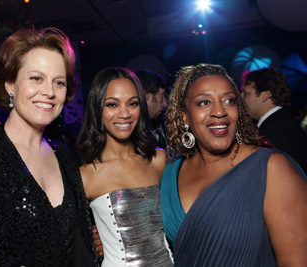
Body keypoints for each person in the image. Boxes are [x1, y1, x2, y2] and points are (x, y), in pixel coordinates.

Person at [0, 28, 98, 266]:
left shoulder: (67, 158)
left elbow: (80, 249)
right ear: (10, 84)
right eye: (36, 78)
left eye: (59, 82)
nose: (49, 92)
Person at [161, 63, 307, 266]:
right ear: (185, 117)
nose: (219, 111)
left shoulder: (271, 168)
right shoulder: (171, 170)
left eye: (229, 101)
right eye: (204, 103)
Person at [77, 67, 174, 267]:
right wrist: (92, 241)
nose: (125, 114)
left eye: (133, 104)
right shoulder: (85, 176)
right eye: (112, 104)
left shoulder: (159, 160)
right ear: (98, 108)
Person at [241, 68, 307, 173]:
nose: (241, 97)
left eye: (246, 93)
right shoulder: (283, 122)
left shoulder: (272, 133)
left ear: (265, 96)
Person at [136, 69, 167, 148]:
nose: (165, 104)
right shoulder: (135, 136)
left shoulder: (164, 125)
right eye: (162, 96)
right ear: (146, 94)